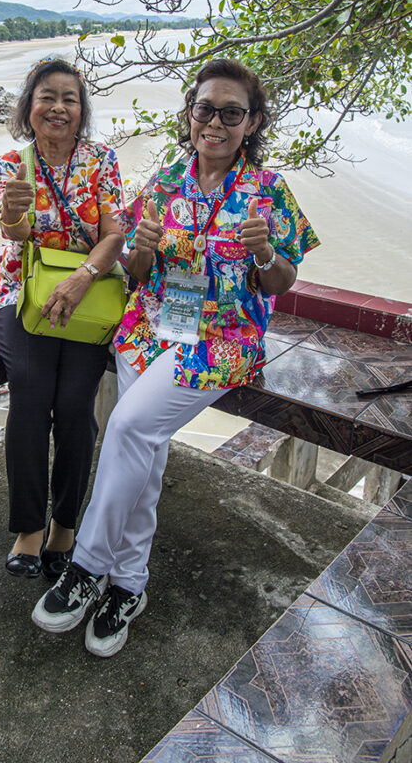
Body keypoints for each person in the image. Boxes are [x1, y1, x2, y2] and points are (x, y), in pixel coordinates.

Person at [32, 57, 320, 657]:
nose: (215, 122)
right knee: (146, 449)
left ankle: (87, 565)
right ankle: (129, 585)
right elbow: (139, 273)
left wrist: (265, 254)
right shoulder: (163, 183)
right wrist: (140, 248)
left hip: (222, 338)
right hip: (151, 327)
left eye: (231, 113)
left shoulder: (269, 191)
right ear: (189, 114)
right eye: (205, 109)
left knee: (129, 426)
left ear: (252, 122)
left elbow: (281, 283)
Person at [0, 57, 125, 580]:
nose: (58, 107)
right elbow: (16, 234)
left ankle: (65, 523)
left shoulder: (101, 160)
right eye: (47, 96)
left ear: (81, 110)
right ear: (29, 106)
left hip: (89, 292)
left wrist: (83, 276)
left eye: (70, 99)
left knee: (74, 408)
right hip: (24, 291)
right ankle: (28, 527)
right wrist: (12, 211)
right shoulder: (12, 163)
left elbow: (114, 235)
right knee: (29, 396)